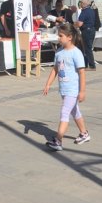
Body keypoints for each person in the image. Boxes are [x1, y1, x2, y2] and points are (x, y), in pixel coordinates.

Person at [43, 23, 90, 151]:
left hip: (73, 89)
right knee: (75, 111)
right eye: (58, 35)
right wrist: (48, 84)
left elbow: (82, 72)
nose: (58, 38)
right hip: (64, 89)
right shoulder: (59, 52)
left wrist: (82, 91)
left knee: (65, 112)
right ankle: (84, 134)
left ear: (69, 37)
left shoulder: (76, 53)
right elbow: (55, 69)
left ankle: (58, 140)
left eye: (61, 36)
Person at [75, 0, 97, 70]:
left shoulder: (84, 11)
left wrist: (73, 25)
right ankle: (85, 64)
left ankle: (91, 65)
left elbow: (80, 24)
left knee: (87, 49)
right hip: (92, 30)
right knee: (87, 48)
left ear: (84, 4)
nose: (80, 4)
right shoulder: (91, 11)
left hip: (86, 31)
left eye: (81, 3)